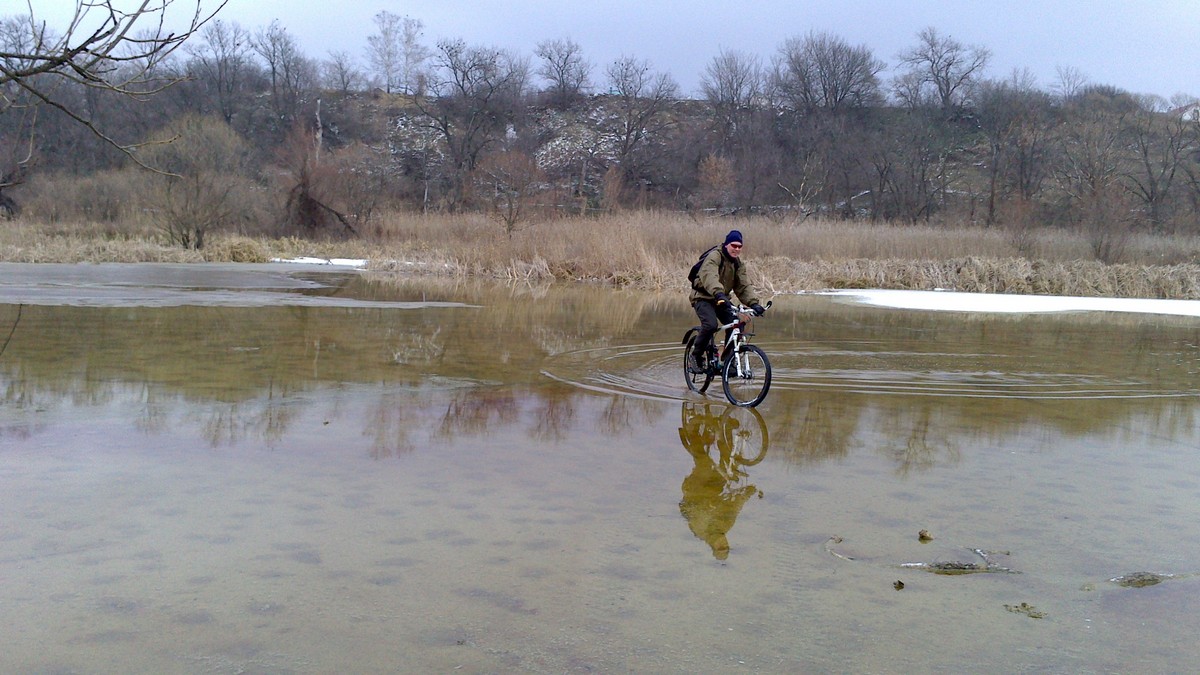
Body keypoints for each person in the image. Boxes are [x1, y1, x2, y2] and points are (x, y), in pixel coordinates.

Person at [688, 229, 766, 372]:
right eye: (733, 245)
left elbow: (743, 286)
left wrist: (754, 303)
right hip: (703, 298)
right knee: (711, 325)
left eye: (739, 246)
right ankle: (696, 356)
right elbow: (710, 277)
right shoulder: (714, 257)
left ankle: (727, 361)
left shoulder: (737, 264)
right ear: (726, 244)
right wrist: (719, 293)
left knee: (738, 323)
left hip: (722, 299)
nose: (737, 249)